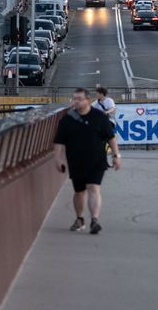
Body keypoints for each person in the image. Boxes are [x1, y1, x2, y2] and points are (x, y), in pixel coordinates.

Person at [53, 88, 122, 235]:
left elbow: (111, 137)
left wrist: (117, 156)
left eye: (79, 98)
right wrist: (57, 158)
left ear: (88, 100)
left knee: (94, 188)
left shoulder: (100, 117)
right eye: (74, 98)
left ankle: (94, 220)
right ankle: (80, 218)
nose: (76, 101)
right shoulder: (67, 120)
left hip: (97, 160)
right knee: (79, 192)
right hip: (76, 161)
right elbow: (59, 141)